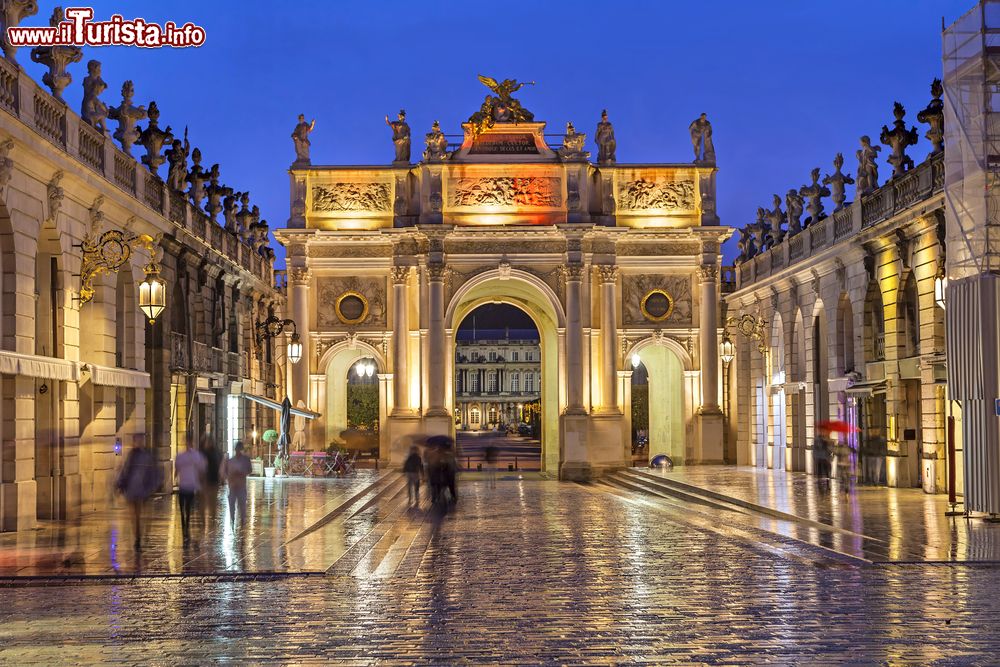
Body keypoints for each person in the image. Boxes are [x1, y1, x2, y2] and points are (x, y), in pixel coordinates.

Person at [116, 437, 161, 552]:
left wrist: (152, 486)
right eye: (136, 441)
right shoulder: (131, 456)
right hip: (132, 490)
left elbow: (153, 472)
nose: (138, 443)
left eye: (139, 441)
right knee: (134, 516)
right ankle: (138, 537)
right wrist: (120, 485)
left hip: (143, 490)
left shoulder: (146, 455)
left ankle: (142, 535)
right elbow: (125, 471)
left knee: (141, 515)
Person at [174, 439, 207, 546]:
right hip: (184, 485)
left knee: (187, 508)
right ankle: (185, 524)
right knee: (183, 507)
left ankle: (186, 524)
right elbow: (177, 468)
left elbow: (201, 468)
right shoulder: (185, 456)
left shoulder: (193, 456)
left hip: (190, 486)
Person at [220, 441, 252, 527]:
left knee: (242, 504)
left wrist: (242, 473)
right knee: (232, 504)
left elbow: (249, 470)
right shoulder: (231, 461)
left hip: (241, 485)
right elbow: (225, 472)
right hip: (233, 486)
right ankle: (232, 519)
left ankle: (241, 520)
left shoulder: (245, 460)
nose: (238, 451)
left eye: (239, 449)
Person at [199, 425, 221, 523]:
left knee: (212, 502)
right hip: (203, 481)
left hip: (213, 481)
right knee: (203, 502)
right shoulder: (201, 453)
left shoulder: (215, 453)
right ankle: (203, 520)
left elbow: (220, 466)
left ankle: (212, 519)